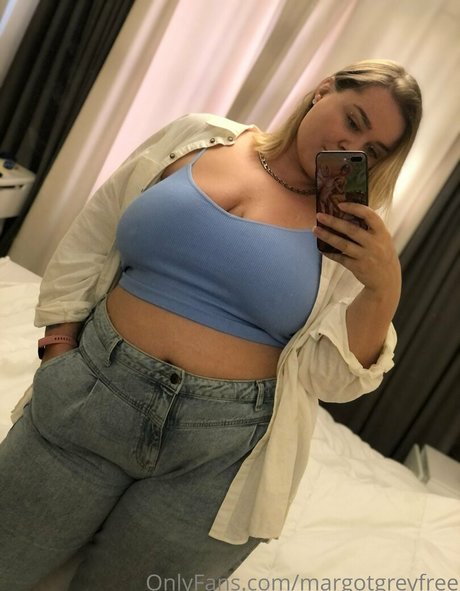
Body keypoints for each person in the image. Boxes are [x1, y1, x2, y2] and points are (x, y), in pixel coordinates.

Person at [0, 59, 422, 590]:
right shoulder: (197, 137)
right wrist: (59, 349)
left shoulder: (347, 233)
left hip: (220, 456)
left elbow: (331, 381)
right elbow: (94, 234)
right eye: (353, 120)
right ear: (322, 91)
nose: (351, 146)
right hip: (91, 394)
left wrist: (384, 289)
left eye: (372, 150)